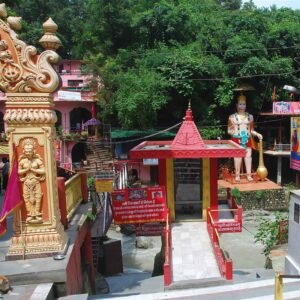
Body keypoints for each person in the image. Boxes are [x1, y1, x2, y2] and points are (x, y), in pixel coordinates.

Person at [227, 94, 263, 182]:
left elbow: (251, 130)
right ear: (236, 105)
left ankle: (249, 175)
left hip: (247, 138)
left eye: (244, 104)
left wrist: (257, 134)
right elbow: (229, 130)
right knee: (237, 156)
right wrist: (232, 132)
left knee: (248, 156)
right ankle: (237, 175)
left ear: (246, 105)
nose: (242, 106)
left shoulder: (250, 117)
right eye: (240, 104)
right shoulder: (232, 117)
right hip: (237, 139)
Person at [18, 138, 45, 223]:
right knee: (27, 198)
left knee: (38, 197)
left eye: (30, 151)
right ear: (24, 151)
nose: (28, 153)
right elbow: (18, 172)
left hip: (35, 181)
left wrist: (34, 170)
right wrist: (26, 170)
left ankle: (37, 214)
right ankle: (30, 214)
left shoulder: (37, 160)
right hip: (26, 182)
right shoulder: (22, 161)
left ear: (33, 150)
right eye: (27, 151)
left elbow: (43, 171)